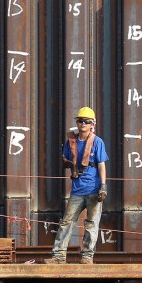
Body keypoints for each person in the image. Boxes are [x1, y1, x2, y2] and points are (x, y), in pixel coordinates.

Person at [45, 107, 108, 264]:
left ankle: (87, 257)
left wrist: (103, 186)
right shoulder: (71, 142)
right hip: (77, 190)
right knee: (67, 221)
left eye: (86, 121)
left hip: (93, 189)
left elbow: (101, 165)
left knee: (91, 224)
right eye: (80, 121)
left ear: (92, 124)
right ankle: (59, 256)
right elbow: (66, 160)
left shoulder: (97, 142)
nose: (83, 124)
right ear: (76, 123)